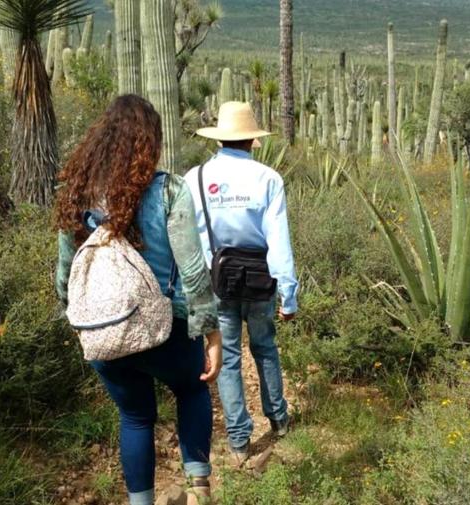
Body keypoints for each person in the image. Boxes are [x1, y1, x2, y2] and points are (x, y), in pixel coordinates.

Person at [54, 95, 222, 505]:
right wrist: (211, 332)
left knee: (134, 416)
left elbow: (66, 273)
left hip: (104, 332)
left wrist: (79, 317)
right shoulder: (169, 191)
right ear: (152, 143)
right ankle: (199, 491)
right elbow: (194, 270)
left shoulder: (77, 195)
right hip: (169, 328)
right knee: (192, 391)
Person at [185, 101, 299, 465]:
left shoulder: (195, 178)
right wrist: (289, 295)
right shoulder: (268, 179)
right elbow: (279, 240)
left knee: (228, 355)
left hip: (217, 282)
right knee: (264, 348)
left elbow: (189, 239)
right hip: (261, 280)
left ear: (220, 139)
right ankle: (278, 419)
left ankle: (238, 440)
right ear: (252, 139)